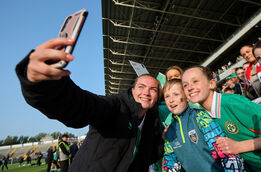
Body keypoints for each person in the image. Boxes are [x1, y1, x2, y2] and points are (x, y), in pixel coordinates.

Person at [15, 38, 163, 172]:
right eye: (141, 87)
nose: (146, 92)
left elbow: (147, 156)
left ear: (157, 97)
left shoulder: (152, 122)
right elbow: (83, 105)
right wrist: (46, 85)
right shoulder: (116, 106)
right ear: (132, 90)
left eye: (153, 89)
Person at [181, 65, 261, 171]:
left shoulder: (232, 103)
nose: (190, 87)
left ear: (211, 84)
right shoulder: (204, 116)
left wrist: (239, 146)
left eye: (195, 81)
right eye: (185, 85)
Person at [162, 79, 245, 172]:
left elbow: (226, 152)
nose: (171, 100)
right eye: (167, 96)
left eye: (176, 94)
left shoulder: (201, 117)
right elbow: (170, 165)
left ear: (187, 97)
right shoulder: (169, 133)